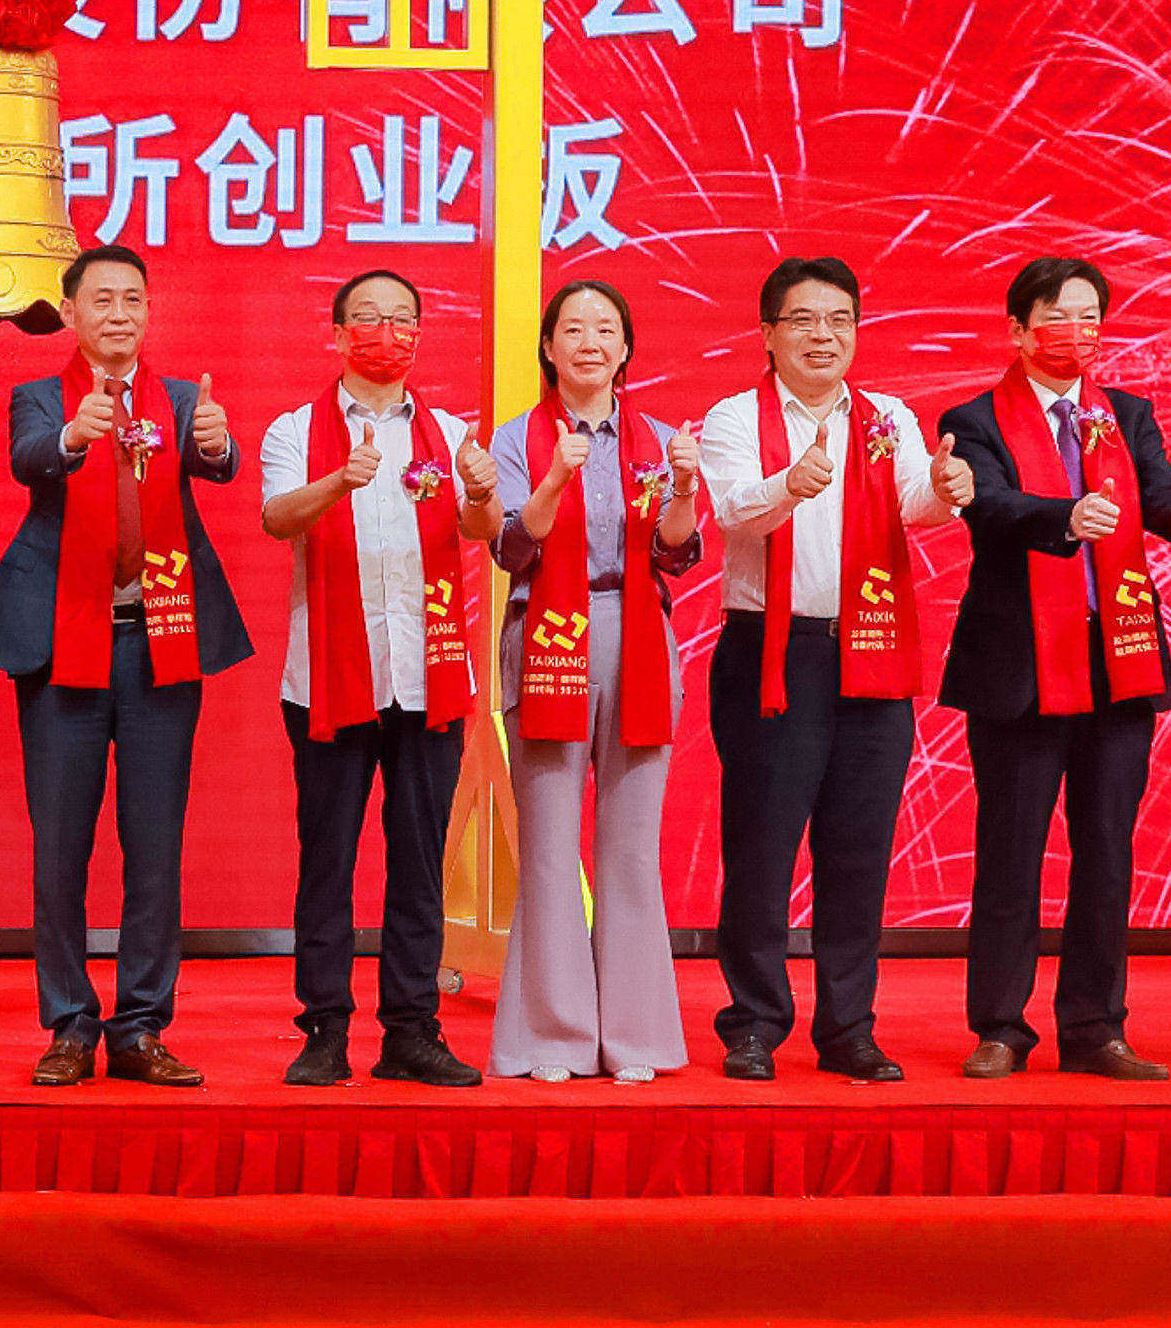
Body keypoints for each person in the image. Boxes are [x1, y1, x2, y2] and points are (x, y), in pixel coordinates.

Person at [0, 243, 249, 1089]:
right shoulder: (38, 397)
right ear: (71, 313)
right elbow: (28, 457)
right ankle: (68, 1024)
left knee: (154, 846)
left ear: (148, 311)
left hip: (161, 637)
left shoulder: (183, 399)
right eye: (103, 300)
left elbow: (218, 462)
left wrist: (219, 444)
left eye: (133, 299)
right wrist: (72, 436)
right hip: (62, 642)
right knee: (61, 847)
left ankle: (142, 1025)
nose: (119, 314)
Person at [693, 254, 970, 1083]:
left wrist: (947, 486)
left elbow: (914, 501)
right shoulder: (734, 416)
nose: (824, 335)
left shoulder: (887, 415)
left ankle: (849, 1025)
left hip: (871, 648)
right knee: (763, 846)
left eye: (840, 319)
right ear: (768, 333)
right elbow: (733, 510)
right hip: (774, 652)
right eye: (804, 320)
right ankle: (753, 1023)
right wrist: (791, 482)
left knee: (858, 848)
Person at [937, 256, 1171, 1082]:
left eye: (1090, 316)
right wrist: (1066, 516)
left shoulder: (1128, 414)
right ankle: (1000, 1026)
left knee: (1107, 850)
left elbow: (1158, 496)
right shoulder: (974, 418)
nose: (1077, 331)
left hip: (1117, 656)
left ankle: (1095, 1026)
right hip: (1020, 664)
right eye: (1057, 315)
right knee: (1011, 850)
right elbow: (988, 507)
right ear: (1017, 329)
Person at [254, 267, 497, 1091]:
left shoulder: (448, 429)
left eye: (402, 318)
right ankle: (324, 1029)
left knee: (419, 861)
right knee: (327, 858)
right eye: (367, 317)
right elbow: (276, 517)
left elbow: (479, 529)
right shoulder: (295, 428)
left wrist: (480, 491)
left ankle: (411, 1030)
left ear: (420, 333)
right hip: (327, 679)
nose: (386, 332)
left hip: (428, 675)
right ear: (337, 333)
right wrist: (339, 480)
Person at [486, 278, 710, 1085]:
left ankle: (636, 1037)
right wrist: (553, 478)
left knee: (631, 847)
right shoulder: (517, 438)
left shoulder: (657, 439)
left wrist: (684, 487)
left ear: (625, 350)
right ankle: (553, 1036)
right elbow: (511, 548)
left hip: (637, 631)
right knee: (549, 844)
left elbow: (675, 553)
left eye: (605, 328)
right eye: (572, 329)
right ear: (548, 348)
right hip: (548, 627)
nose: (589, 342)